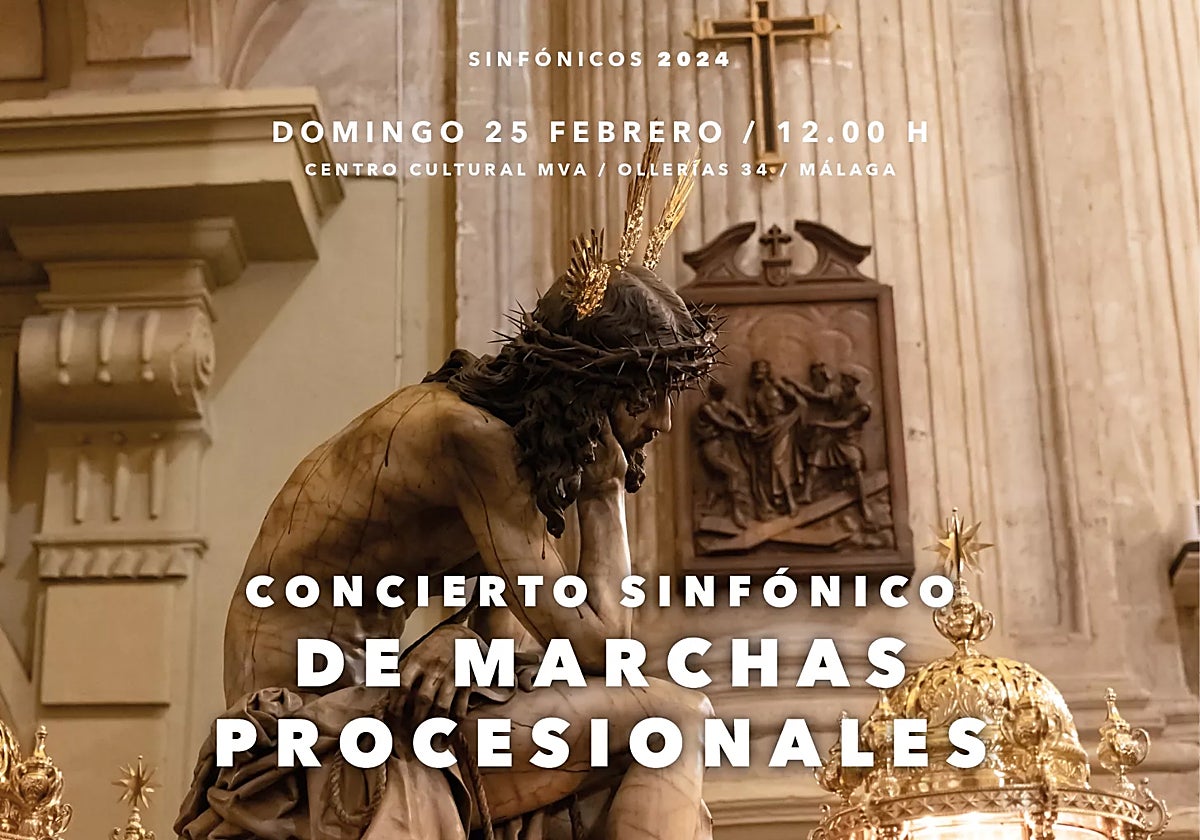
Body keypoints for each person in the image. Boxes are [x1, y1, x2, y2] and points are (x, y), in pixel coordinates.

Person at [176, 147, 720, 840]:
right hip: (307, 727)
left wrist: (457, 640)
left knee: (633, 749)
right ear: (586, 387)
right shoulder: (470, 437)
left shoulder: (503, 454)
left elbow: (519, 642)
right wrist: (604, 494)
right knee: (674, 718)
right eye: (645, 396)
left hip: (375, 701)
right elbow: (604, 649)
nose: (664, 422)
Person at [805, 372, 874, 525]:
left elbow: (846, 423)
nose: (842, 385)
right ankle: (806, 493)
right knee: (816, 456)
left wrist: (822, 424)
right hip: (834, 438)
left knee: (856, 466)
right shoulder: (839, 397)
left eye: (846, 383)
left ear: (854, 384)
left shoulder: (862, 407)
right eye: (842, 382)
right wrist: (796, 386)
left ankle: (864, 504)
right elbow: (818, 397)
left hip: (849, 441)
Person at [744, 359, 804, 517]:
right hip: (768, 430)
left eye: (761, 368)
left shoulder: (776, 386)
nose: (758, 371)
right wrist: (751, 426)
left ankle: (791, 502)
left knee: (778, 462)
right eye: (756, 369)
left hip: (783, 425)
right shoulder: (752, 395)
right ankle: (778, 501)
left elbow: (796, 400)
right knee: (767, 467)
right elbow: (753, 417)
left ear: (767, 371)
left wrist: (794, 416)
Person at [694, 380, 754, 528]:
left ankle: (709, 506)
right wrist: (740, 430)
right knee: (733, 473)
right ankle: (736, 512)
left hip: (721, 446)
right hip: (710, 447)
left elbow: (737, 412)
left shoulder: (723, 404)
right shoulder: (706, 408)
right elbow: (721, 423)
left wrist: (747, 423)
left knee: (718, 479)